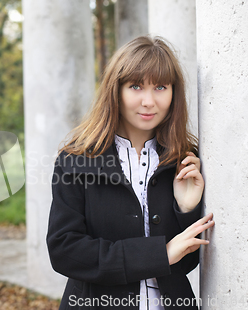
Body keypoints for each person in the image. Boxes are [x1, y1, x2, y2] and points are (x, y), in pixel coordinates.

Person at [46, 36, 215, 310]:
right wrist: (158, 254)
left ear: (174, 92)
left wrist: (186, 208)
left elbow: (186, 261)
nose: (148, 101)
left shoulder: (185, 160)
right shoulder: (76, 160)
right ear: (116, 90)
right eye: (136, 86)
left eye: (160, 87)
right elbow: (65, 251)